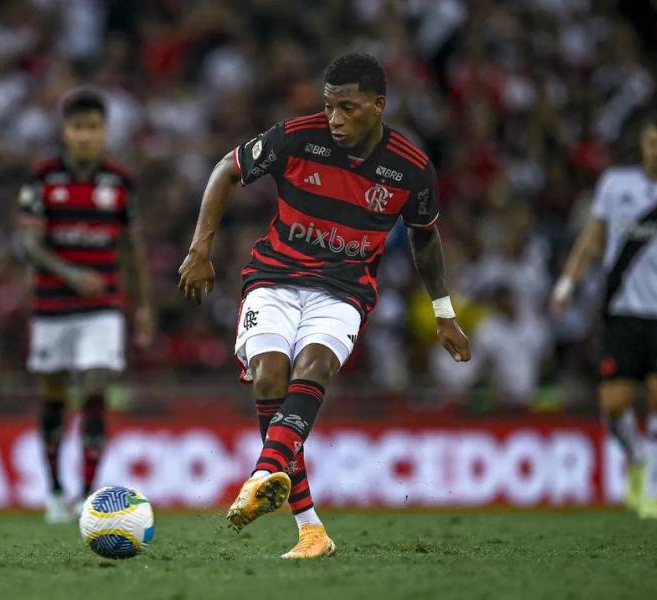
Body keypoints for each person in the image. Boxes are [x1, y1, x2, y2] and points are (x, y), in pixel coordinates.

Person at [178, 53, 471, 558]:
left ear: (378, 106)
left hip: (344, 290)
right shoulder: (297, 136)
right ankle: (311, 529)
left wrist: (444, 312)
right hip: (274, 277)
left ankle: (264, 474)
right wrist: (199, 247)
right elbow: (227, 168)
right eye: (330, 106)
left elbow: (425, 238)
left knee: (313, 367)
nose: (335, 119)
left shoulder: (411, 168)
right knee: (271, 375)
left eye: (348, 108)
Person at [551, 116, 657, 519]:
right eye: (651, 142)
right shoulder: (615, 185)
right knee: (613, 404)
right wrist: (567, 283)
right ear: (643, 144)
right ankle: (639, 459)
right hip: (622, 308)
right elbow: (593, 238)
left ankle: (652, 492)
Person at [18, 89, 154, 523]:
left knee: (96, 385)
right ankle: (55, 490)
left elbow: (134, 250)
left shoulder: (120, 183)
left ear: (104, 132)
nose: (85, 136)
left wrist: (145, 306)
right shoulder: (42, 180)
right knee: (54, 393)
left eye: (93, 128)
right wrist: (71, 274)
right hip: (52, 306)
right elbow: (30, 244)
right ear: (65, 131)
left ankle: (88, 493)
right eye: (78, 127)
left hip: (103, 305)